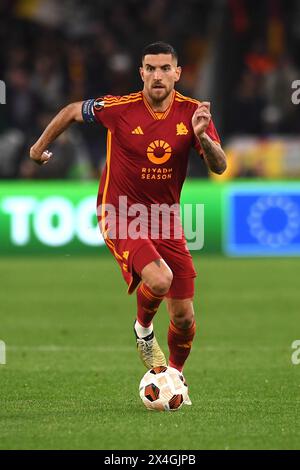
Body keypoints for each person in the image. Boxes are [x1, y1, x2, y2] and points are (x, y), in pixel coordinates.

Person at [30, 42, 227, 404]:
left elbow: (219, 166)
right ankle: (143, 330)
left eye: (165, 68)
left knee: (183, 317)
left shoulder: (193, 114)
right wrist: (37, 148)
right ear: (141, 73)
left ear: (177, 73)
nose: (157, 75)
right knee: (160, 278)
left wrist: (202, 137)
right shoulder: (119, 109)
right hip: (120, 213)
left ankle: (174, 378)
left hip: (165, 219)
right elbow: (73, 110)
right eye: (150, 68)